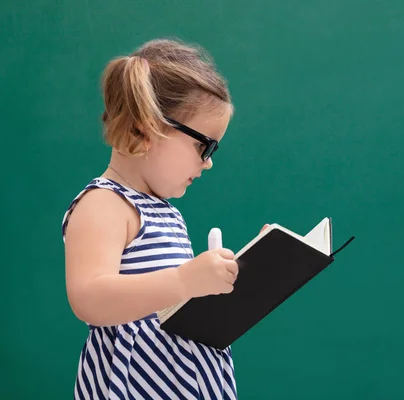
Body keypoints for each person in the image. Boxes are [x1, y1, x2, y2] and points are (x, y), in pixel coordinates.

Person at [62, 38, 264, 400]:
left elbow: (173, 306)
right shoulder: (103, 204)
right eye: (205, 145)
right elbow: (88, 298)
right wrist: (184, 281)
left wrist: (233, 278)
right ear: (146, 127)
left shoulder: (166, 211)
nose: (209, 162)